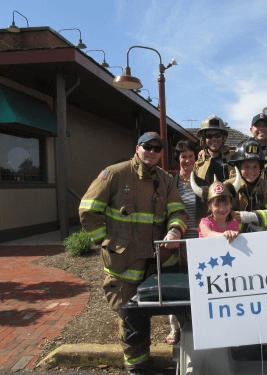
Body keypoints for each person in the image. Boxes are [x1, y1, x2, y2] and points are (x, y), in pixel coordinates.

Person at [79, 131, 188, 375]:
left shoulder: (166, 180)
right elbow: (88, 210)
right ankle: (137, 367)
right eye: (146, 147)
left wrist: (174, 231)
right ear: (137, 148)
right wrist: (107, 243)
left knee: (182, 308)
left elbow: (178, 211)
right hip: (125, 262)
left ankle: (190, 358)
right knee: (130, 316)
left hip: (159, 261)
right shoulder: (115, 174)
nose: (151, 152)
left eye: (157, 148)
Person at [166, 140, 204, 345]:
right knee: (175, 284)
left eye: (190, 156)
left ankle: (197, 324)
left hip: (197, 241)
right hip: (176, 241)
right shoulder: (170, 183)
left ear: (195, 158)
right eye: (183, 156)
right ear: (178, 159)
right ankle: (175, 328)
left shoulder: (203, 181)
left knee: (197, 284)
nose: (187, 160)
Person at [226, 138, 267, 232]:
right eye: (246, 167)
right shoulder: (227, 187)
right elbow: (218, 214)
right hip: (233, 240)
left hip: (262, 239)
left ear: (261, 168)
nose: (251, 171)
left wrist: (253, 217)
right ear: (238, 167)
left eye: (255, 167)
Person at [190, 168, 242, 243]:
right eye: (217, 205)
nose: (222, 208)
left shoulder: (234, 223)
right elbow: (208, 234)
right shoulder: (205, 222)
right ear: (209, 206)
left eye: (226, 204)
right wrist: (224, 235)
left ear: (230, 204)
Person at [193, 114, 234, 185]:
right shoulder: (198, 164)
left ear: (223, 138)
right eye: (209, 136)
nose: (214, 139)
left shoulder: (234, 159)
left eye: (217, 135)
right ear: (203, 139)